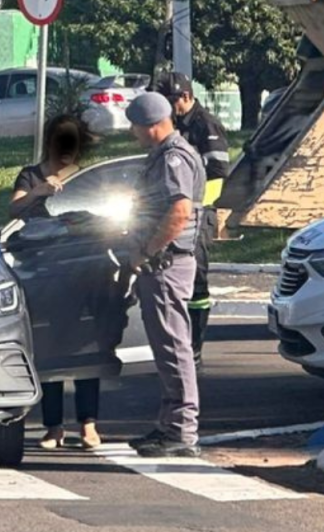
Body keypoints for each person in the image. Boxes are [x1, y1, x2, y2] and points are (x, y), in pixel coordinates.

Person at [9, 114, 101, 450]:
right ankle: (53, 426)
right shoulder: (31, 175)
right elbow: (14, 209)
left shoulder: (85, 178)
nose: (66, 151)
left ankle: (89, 423)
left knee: (88, 346)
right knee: (50, 346)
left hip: (85, 268)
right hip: (45, 271)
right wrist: (39, 192)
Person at [124, 92, 206, 458]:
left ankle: (182, 431)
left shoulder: (173, 157)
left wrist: (146, 250)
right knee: (167, 347)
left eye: (136, 126)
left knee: (174, 348)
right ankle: (169, 425)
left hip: (167, 263)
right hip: (164, 263)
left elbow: (179, 211)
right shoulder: (165, 154)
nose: (132, 132)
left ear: (153, 125)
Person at [154, 73, 230, 368]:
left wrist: (194, 200)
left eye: (169, 102)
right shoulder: (175, 125)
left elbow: (219, 170)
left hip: (199, 212)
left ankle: (195, 350)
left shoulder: (205, 124)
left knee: (196, 282)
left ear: (185, 97)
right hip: (177, 210)